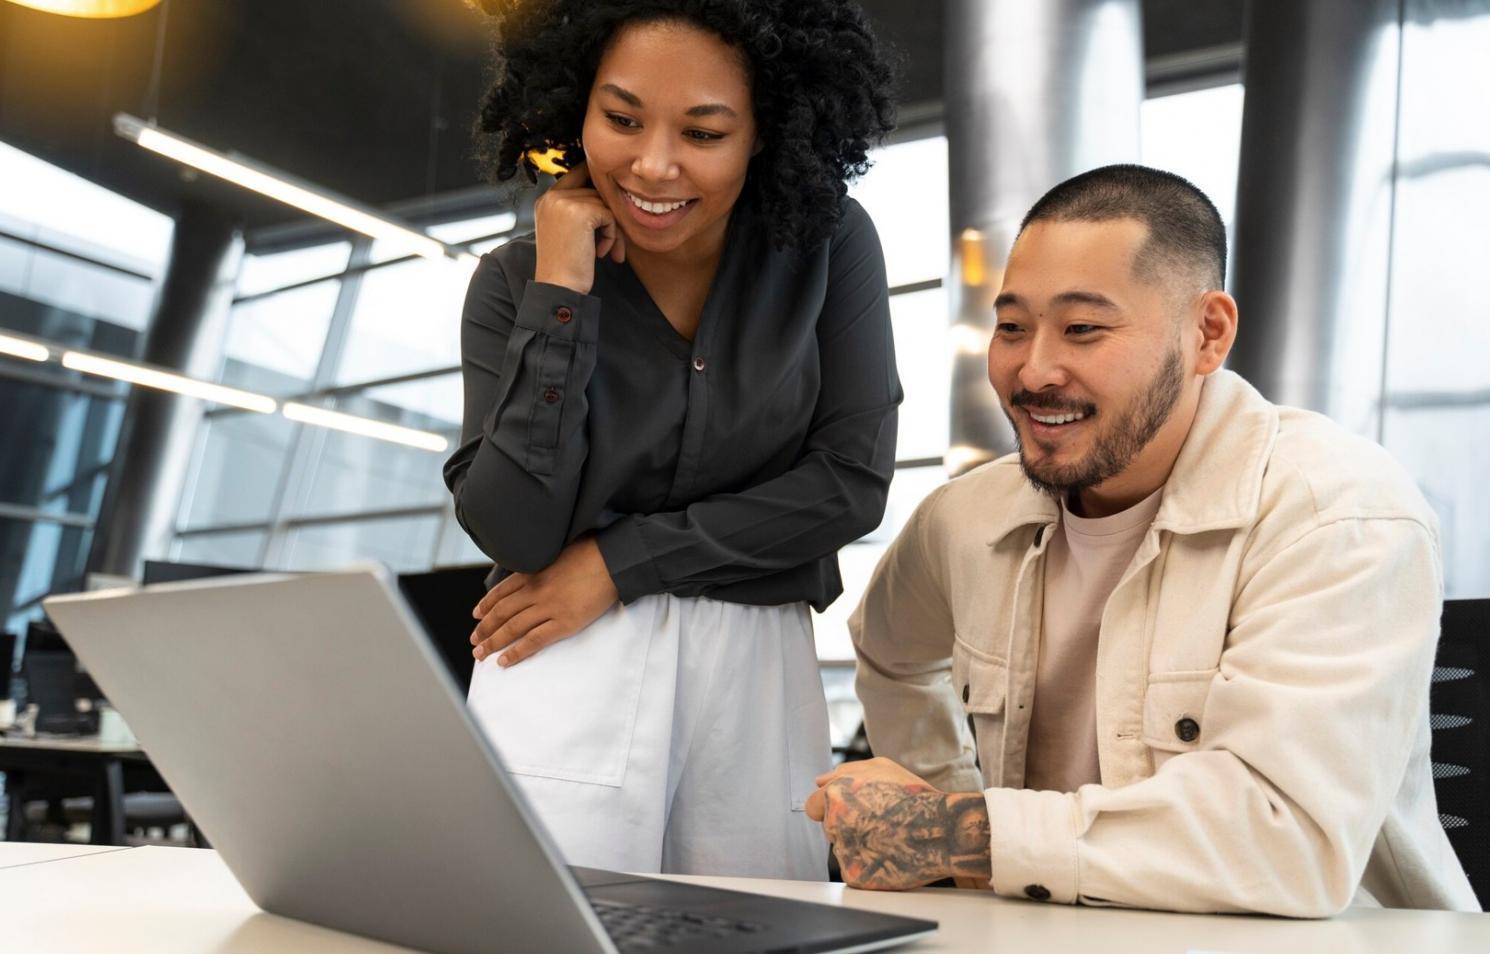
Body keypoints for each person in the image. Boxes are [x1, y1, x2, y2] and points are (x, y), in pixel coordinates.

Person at [805, 164, 1480, 915]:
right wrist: (944, 820)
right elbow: (891, 651)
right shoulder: (965, 518)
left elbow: (1281, 842)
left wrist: (956, 833)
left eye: (1083, 329)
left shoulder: (1337, 512)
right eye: (1013, 327)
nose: (1032, 371)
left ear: (1207, 334)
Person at [444, 0, 899, 880]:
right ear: (574, 107)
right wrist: (562, 291)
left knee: (762, 931)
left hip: (753, 671)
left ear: (764, 133)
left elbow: (847, 485)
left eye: (704, 131)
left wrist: (619, 563)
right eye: (621, 119)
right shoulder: (514, 284)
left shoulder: (828, 247)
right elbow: (516, 532)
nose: (653, 163)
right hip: (558, 659)